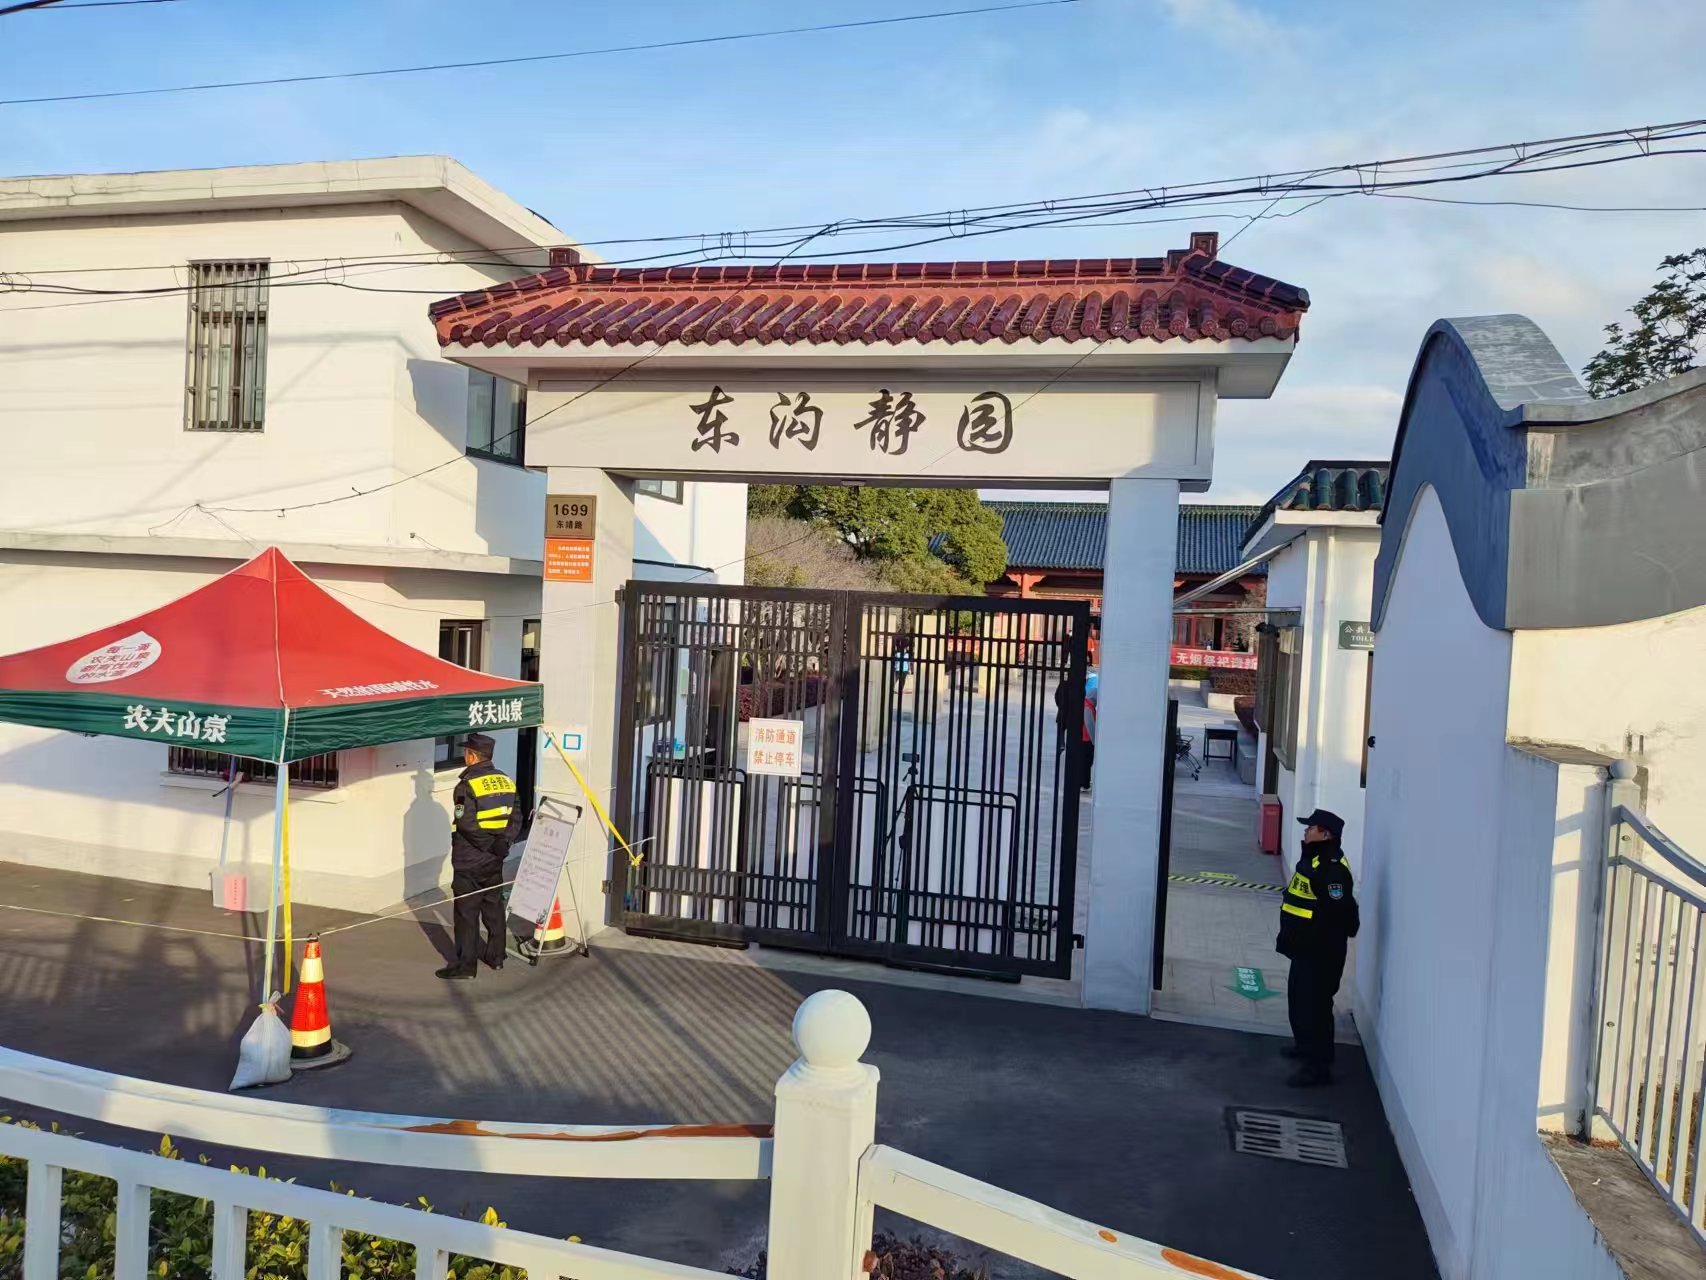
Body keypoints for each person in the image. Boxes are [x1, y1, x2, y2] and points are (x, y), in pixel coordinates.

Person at [1276, 808, 1359, 1086]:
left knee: (1316, 1008)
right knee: (1298, 1001)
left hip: (1321, 952)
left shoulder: (1332, 869)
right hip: (1305, 949)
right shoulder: (1313, 859)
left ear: (1326, 835)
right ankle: (1304, 1047)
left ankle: (1318, 1068)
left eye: (1311, 828)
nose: (1306, 831)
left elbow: (1339, 914)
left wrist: (1317, 942)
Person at [437, 733, 524, 981]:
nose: (464, 756)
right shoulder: (506, 781)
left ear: (473, 756)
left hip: (469, 859)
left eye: (466, 752)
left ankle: (466, 966)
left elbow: (465, 823)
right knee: (493, 907)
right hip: (495, 859)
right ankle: (496, 957)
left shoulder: (466, 785)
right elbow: (516, 816)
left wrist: (488, 845)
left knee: (467, 913)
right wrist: (502, 843)